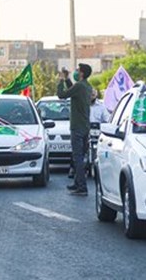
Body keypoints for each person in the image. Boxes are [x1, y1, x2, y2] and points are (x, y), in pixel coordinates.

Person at [57, 63, 93, 196]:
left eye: (78, 70)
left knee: (77, 157)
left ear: (82, 73)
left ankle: (82, 187)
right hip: (84, 126)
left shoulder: (80, 86)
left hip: (77, 127)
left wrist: (61, 80)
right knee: (79, 156)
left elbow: (62, 95)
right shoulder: (86, 86)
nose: (76, 72)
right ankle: (78, 183)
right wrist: (67, 79)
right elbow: (73, 89)